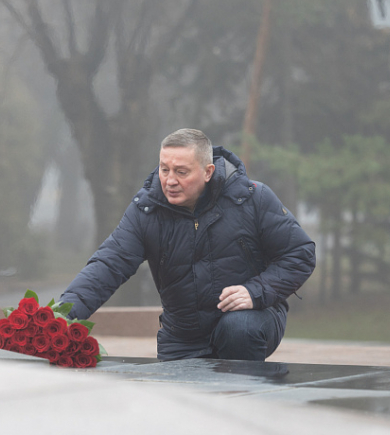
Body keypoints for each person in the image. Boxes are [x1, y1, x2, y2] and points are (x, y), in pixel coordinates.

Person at [59, 128, 316, 361]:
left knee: (239, 328)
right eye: (164, 169)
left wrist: (255, 291)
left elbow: (300, 254)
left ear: (208, 172)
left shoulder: (253, 198)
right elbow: (108, 264)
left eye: (181, 172)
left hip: (253, 318)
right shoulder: (145, 211)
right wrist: (59, 317)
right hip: (182, 335)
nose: (170, 180)